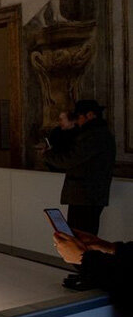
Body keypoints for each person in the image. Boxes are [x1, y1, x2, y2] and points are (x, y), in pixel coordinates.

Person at [44, 99, 116, 235]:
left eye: (79, 117)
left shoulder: (94, 136)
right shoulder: (99, 134)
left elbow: (70, 159)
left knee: (79, 239)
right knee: (83, 236)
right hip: (88, 194)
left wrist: (48, 155)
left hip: (85, 195)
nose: (77, 121)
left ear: (89, 115)